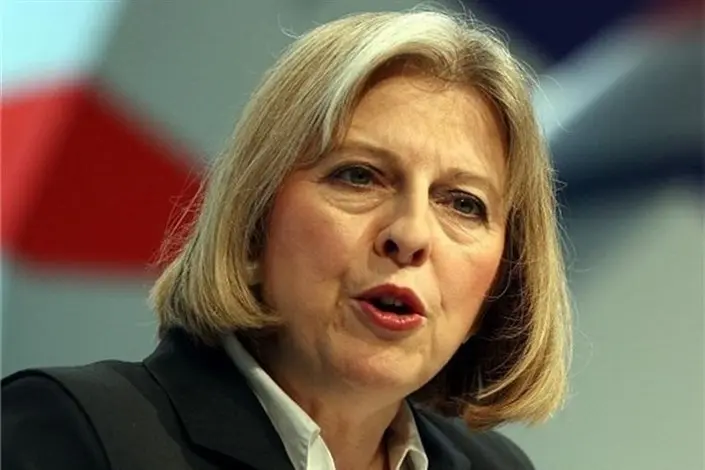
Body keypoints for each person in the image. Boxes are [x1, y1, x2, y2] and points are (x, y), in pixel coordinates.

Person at [2, 8, 571, 470]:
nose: (411, 234)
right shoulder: (74, 434)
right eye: (359, 176)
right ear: (254, 222)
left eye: (464, 203)